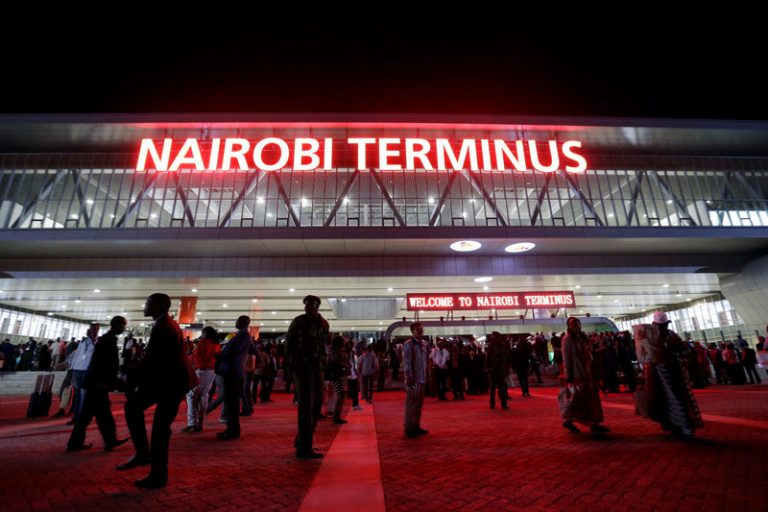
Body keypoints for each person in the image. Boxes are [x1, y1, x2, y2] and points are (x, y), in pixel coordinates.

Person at [117, 293, 196, 489]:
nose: (144, 306)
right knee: (135, 408)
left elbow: (153, 360)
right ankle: (144, 456)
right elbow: (155, 360)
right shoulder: (165, 324)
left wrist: (130, 376)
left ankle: (157, 473)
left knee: (160, 428)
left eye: (148, 303)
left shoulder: (164, 326)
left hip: (172, 384)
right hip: (168, 381)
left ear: (159, 306)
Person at [66, 316, 129, 452]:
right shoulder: (108, 340)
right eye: (124, 326)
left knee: (97, 414)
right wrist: (106, 380)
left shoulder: (107, 339)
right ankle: (107, 440)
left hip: (95, 383)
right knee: (94, 414)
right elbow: (101, 363)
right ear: (118, 325)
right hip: (96, 383)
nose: (124, 329)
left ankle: (105, 440)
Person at [635, 312, 703, 438]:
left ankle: (684, 427)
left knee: (676, 399)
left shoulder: (669, 335)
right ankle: (674, 425)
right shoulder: (654, 336)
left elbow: (684, 350)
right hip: (659, 374)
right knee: (663, 399)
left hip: (671, 373)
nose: (662, 327)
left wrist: (671, 355)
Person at [286, 295, 330, 459]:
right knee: (305, 406)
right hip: (301, 367)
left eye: (310, 304)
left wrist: (324, 365)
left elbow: (324, 345)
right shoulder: (298, 321)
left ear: (317, 305)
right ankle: (304, 447)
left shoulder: (324, 323)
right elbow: (289, 344)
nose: (307, 307)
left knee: (317, 405)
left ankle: (303, 440)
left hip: (317, 367)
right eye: (305, 304)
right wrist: (289, 368)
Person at [560, 317, 610, 434]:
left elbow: (588, 352)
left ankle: (583, 421)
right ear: (569, 326)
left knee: (589, 398)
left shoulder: (582, 338)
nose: (576, 326)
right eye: (573, 324)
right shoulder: (567, 340)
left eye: (577, 323)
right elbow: (567, 359)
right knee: (581, 398)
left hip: (588, 372)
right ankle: (591, 423)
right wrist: (569, 376)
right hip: (578, 373)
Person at [216, 316, 252, 440]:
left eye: (238, 321)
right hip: (231, 371)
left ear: (244, 323)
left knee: (232, 402)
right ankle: (231, 428)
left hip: (234, 371)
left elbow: (233, 350)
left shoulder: (244, 336)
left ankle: (233, 430)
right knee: (230, 402)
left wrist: (220, 354)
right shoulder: (240, 335)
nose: (235, 322)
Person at [182, 326, 218, 433]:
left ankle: (192, 424)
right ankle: (200, 423)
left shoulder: (203, 343)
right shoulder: (216, 344)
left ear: (205, 333)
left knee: (191, 395)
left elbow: (197, 359)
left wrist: (193, 366)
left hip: (201, 371)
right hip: (211, 372)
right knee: (204, 396)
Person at [70, 324, 100, 425]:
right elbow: (77, 354)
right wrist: (72, 368)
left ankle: (81, 418)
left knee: (84, 395)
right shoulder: (83, 342)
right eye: (91, 330)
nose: (92, 332)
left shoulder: (98, 343)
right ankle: (76, 416)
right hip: (77, 369)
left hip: (87, 371)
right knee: (78, 394)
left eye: (95, 330)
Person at [403, 322, 429, 438]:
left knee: (419, 404)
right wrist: (409, 376)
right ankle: (408, 428)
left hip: (422, 378)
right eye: (419, 329)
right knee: (411, 404)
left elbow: (425, 361)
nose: (421, 330)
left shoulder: (424, 344)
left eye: (422, 328)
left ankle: (416, 425)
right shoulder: (409, 344)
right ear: (412, 330)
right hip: (413, 379)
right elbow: (407, 362)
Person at [326, 335, 351, 424]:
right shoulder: (334, 351)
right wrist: (345, 365)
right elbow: (335, 362)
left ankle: (337, 416)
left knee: (341, 394)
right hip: (338, 375)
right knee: (341, 394)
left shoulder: (339, 351)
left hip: (341, 374)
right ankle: (336, 417)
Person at [485, 331, 510, 409]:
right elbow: (507, 357)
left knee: (492, 387)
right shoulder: (503, 345)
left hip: (493, 368)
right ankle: (504, 404)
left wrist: (486, 366)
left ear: (494, 336)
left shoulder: (490, 345)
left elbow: (488, 357)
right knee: (502, 387)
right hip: (501, 368)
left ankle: (492, 404)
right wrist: (507, 368)